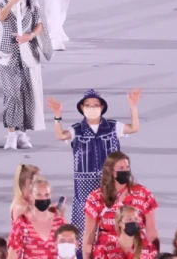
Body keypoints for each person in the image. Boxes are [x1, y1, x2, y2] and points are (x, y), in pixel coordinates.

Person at [47, 89, 142, 240]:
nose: (92, 108)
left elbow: (133, 128)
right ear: (82, 108)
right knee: (85, 216)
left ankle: (112, 246)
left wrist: (133, 106)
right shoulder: (77, 129)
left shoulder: (112, 126)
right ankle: (84, 249)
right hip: (85, 182)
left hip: (110, 179)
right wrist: (58, 116)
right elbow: (61, 135)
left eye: (96, 104)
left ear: (102, 107)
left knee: (112, 212)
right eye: (88, 105)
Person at [0, 0, 52, 150]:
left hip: (28, 53)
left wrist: (30, 36)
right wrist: (12, 1)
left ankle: (22, 134)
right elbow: (0, 17)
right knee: (12, 94)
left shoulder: (32, 2)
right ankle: (11, 134)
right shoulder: (2, 1)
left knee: (27, 93)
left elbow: (39, 24)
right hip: (9, 54)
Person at [83, 153, 159, 259]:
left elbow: (152, 231)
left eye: (127, 167)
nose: (125, 171)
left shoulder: (143, 193)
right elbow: (89, 235)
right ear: (110, 170)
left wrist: (156, 255)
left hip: (137, 248)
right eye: (121, 168)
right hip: (106, 251)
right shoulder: (96, 197)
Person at [7, 174, 64, 258]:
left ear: (50, 195)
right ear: (31, 196)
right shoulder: (22, 223)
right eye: (38, 195)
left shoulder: (59, 222)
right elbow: (12, 256)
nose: (43, 198)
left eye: (46, 195)